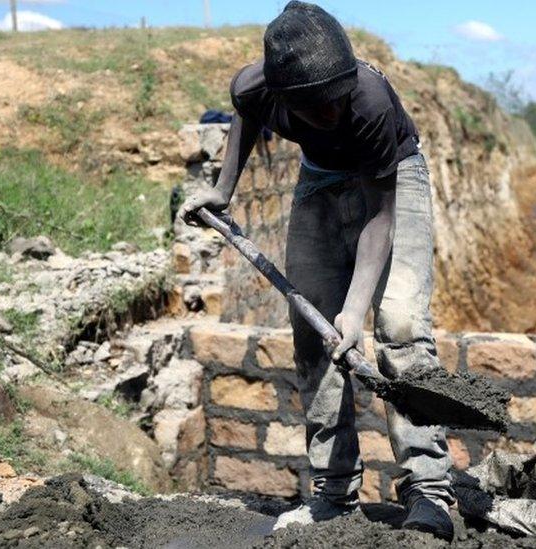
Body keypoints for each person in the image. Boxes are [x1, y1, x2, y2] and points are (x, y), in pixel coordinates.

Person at [176, 1, 455, 541]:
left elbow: (381, 217)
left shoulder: (370, 101)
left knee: (399, 325)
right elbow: (245, 117)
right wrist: (222, 191)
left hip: (394, 178)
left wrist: (354, 311)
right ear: (284, 95)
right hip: (319, 180)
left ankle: (428, 490)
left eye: (335, 101)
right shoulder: (256, 86)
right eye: (316, 108)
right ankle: (334, 491)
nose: (331, 115)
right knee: (312, 334)